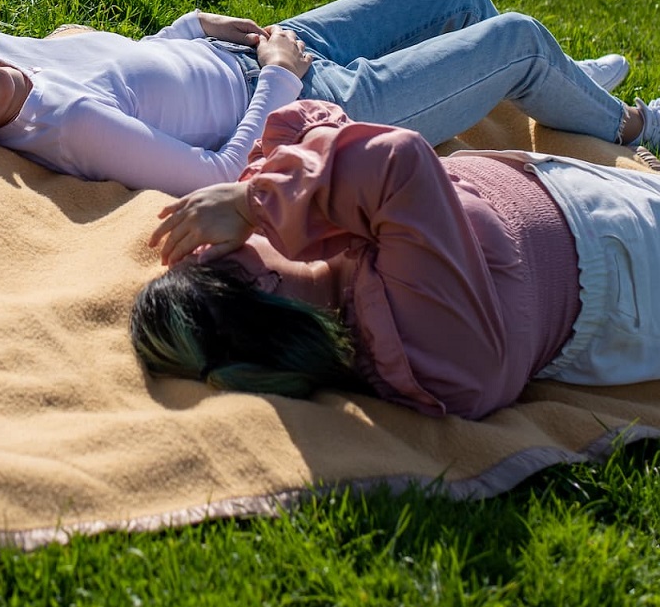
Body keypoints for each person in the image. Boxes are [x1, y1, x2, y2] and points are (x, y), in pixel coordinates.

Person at [0, 0, 657, 196]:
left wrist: (191, 29)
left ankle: (566, 84)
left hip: (270, 50)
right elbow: (222, 172)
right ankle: (629, 126)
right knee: (512, 38)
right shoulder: (69, 129)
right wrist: (279, 77)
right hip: (316, 98)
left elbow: (125, 63)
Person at [135, 100, 660, 420]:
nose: (218, 238)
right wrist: (255, 203)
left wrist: (265, 192)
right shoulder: (419, 343)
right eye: (212, 254)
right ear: (263, 283)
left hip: (575, 199)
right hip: (631, 259)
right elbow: (396, 159)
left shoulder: (326, 260)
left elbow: (309, 122)